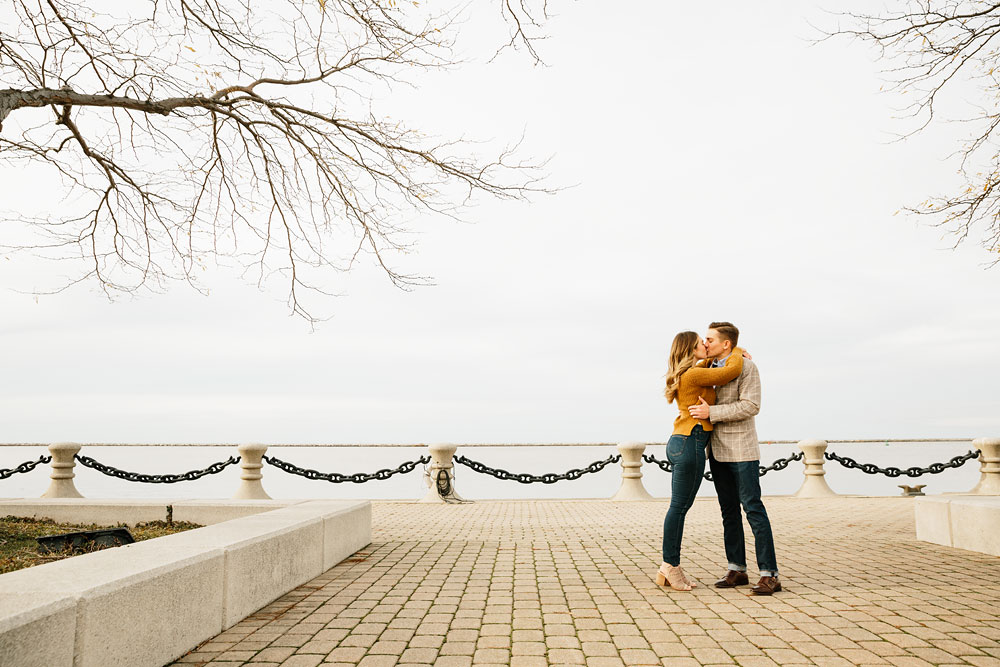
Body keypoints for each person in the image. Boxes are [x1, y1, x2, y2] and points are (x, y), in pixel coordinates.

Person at [688, 321, 780, 595]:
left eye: (710, 340)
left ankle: (770, 574)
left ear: (726, 344)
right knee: (728, 511)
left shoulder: (747, 367)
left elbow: (751, 406)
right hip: (716, 451)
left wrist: (712, 414)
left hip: (742, 450)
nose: (706, 344)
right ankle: (737, 568)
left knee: (753, 509)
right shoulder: (707, 367)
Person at [656, 331, 744, 591]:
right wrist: (737, 350)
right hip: (690, 442)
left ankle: (669, 567)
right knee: (679, 509)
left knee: (678, 508)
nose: (705, 345)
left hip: (682, 441)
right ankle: (670, 566)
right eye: (700, 344)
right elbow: (730, 371)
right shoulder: (693, 374)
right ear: (690, 350)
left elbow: (711, 366)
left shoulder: (692, 371)